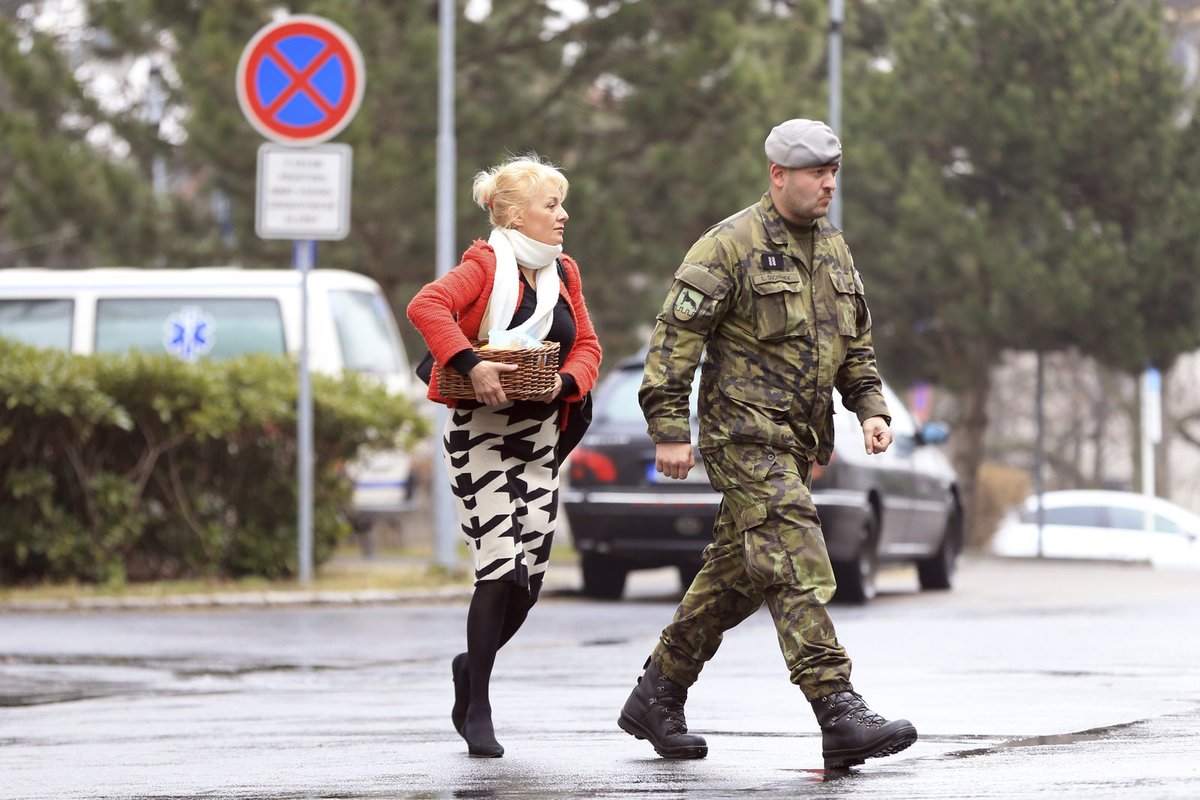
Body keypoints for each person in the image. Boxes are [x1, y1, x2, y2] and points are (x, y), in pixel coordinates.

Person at [617, 120, 916, 770]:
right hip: (742, 435)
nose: (828, 183)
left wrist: (869, 407)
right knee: (794, 550)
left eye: (833, 171)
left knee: (742, 574)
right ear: (778, 175)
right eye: (815, 172)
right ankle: (836, 707)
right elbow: (674, 342)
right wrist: (670, 429)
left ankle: (657, 692)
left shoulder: (833, 249)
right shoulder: (728, 245)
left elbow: (853, 345)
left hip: (797, 444)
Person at [407, 154, 601, 758]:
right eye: (551, 205)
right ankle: (479, 707)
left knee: (531, 584)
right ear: (516, 215)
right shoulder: (483, 266)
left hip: (540, 445)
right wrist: (471, 364)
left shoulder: (564, 273)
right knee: (500, 571)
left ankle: (471, 663)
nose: (563, 214)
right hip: (480, 440)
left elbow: (587, 346)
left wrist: (563, 385)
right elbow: (426, 308)